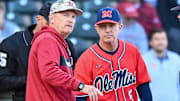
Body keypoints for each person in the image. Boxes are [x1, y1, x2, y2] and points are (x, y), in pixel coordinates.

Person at [26, 0, 103, 101]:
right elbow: (49, 72)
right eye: (65, 15)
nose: (70, 20)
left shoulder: (59, 42)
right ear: (52, 18)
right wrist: (81, 86)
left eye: (73, 17)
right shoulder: (47, 39)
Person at [74, 7, 152, 101]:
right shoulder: (85, 59)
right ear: (97, 28)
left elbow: (144, 87)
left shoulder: (133, 51)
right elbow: (80, 97)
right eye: (103, 26)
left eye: (111, 25)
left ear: (119, 27)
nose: (107, 30)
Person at [0, 2, 51, 101]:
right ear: (39, 20)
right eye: (50, 22)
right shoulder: (16, 41)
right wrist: (33, 79)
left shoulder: (11, 27)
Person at [143, 28, 180, 101]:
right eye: (157, 39)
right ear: (151, 42)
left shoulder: (177, 59)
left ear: (167, 41)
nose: (160, 42)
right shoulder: (143, 60)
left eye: (163, 39)